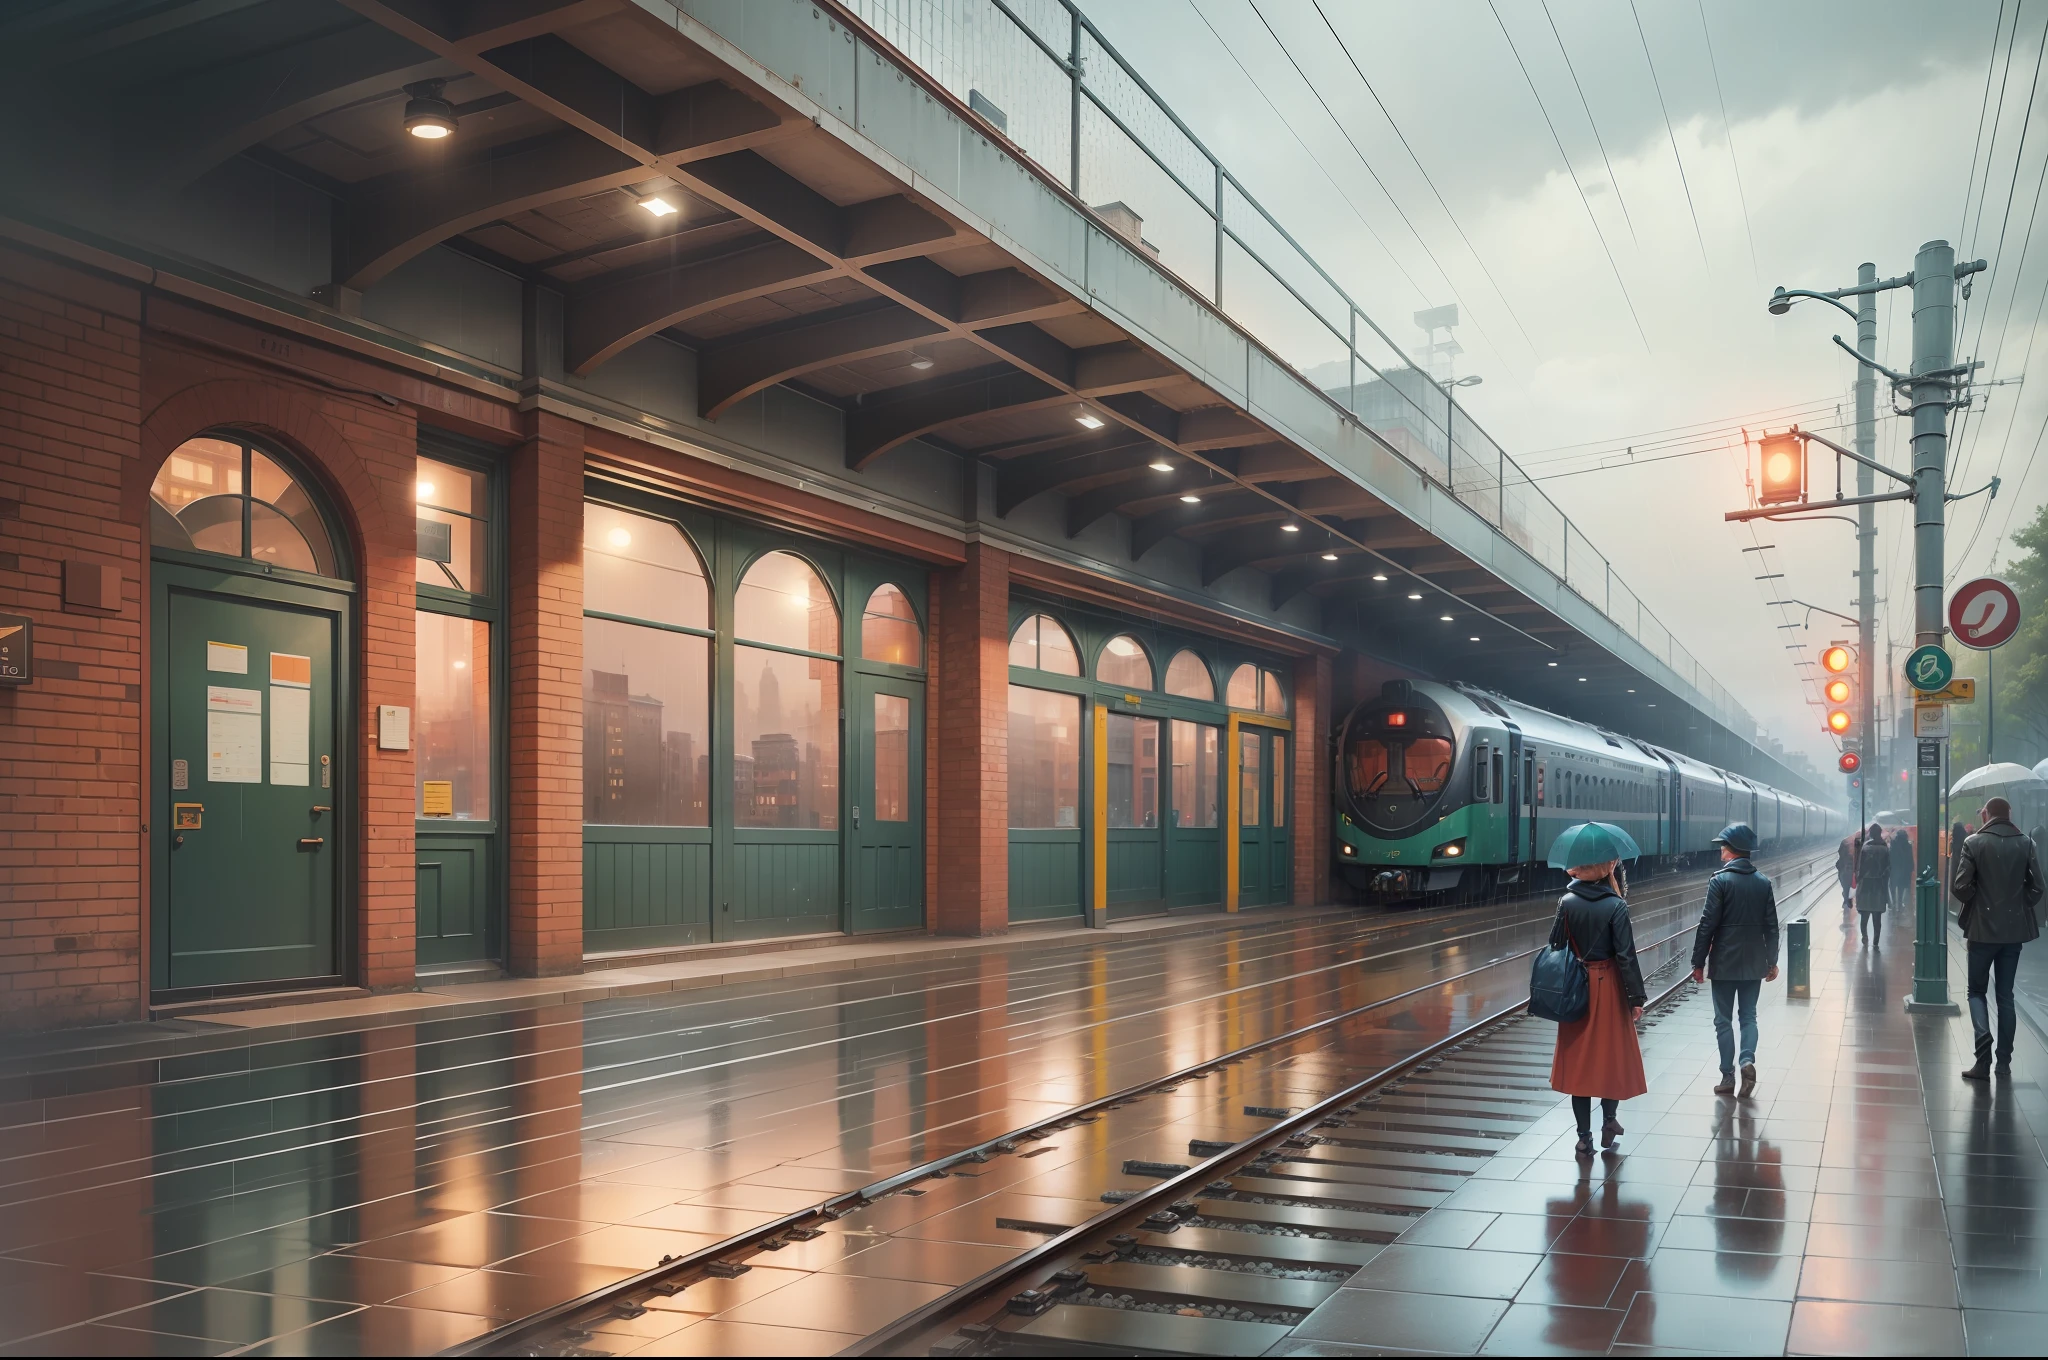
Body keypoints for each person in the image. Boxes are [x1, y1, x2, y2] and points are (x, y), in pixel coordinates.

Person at [1549, 854, 1648, 1157]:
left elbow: (1555, 946)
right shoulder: (1616, 905)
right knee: (1610, 1058)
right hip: (1608, 988)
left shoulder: (1566, 902)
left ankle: (1583, 1138)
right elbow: (1626, 956)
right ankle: (1609, 1120)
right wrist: (1635, 998)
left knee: (1580, 1063)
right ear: (1610, 870)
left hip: (1576, 988)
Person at [1953, 796, 2047, 1081]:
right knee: (2006, 996)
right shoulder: (2026, 843)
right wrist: (2019, 905)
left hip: (1982, 932)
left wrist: (1979, 902)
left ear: (1986, 816)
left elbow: (1960, 887)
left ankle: (1982, 1058)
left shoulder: (1973, 843)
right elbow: (2038, 887)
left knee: (1976, 992)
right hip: (2013, 934)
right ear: (2009, 814)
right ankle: (2003, 1062)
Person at [1689, 823, 1781, 1099]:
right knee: (1749, 1016)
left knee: (1723, 1020)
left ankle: (1728, 1076)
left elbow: (1707, 924)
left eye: (1723, 846)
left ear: (1732, 851)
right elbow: (1772, 927)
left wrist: (1698, 962)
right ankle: (1747, 1061)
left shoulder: (1719, 881)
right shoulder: (1763, 883)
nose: (1720, 851)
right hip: (1754, 961)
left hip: (1725, 961)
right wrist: (1772, 961)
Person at [1856, 822, 1891, 946]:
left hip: (1866, 886)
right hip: (1879, 887)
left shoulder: (1865, 848)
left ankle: (1865, 937)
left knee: (1864, 917)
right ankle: (1876, 941)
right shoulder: (1885, 848)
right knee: (1877, 919)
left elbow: (1860, 868)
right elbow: (1889, 868)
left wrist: (1859, 883)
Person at [1889, 826, 1916, 909]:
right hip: (1904, 869)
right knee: (1901, 886)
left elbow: (1890, 857)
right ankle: (1900, 903)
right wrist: (1911, 868)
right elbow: (1910, 858)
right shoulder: (1908, 845)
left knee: (1893, 886)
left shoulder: (1893, 844)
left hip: (1893, 869)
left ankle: (1894, 902)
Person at [1836, 834, 1856, 912]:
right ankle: (1847, 900)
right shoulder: (1851, 845)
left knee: (1846, 886)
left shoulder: (1844, 844)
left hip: (1845, 869)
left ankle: (1846, 900)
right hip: (1848, 869)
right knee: (1848, 885)